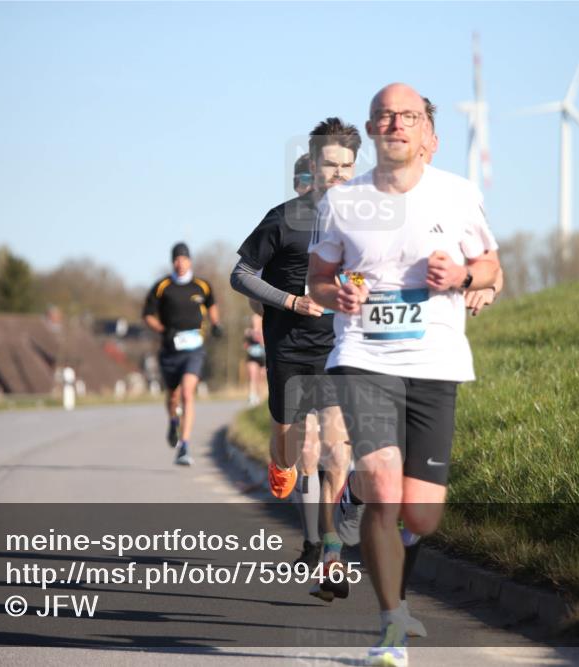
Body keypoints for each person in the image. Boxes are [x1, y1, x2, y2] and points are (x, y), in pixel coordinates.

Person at [308, 83, 502, 667]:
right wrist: (333, 294)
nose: (395, 124)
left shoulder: (458, 195)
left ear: (426, 134)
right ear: (370, 130)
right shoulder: (341, 203)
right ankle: (391, 625)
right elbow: (318, 279)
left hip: (436, 364)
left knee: (421, 514)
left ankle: (394, 558)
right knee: (384, 491)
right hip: (364, 359)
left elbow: (494, 267)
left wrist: (464, 278)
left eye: (408, 116)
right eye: (384, 116)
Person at [230, 118, 360, 598]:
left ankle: (328, 554)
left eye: (348, 166)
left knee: (332, 448)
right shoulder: (284, 219)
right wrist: (288, 302)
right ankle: (281, 467)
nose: (340, 175)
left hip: (335, 347)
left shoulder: (363, 221)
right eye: (331, 165)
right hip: (286, 347)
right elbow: (240, 274)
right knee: (293, 450)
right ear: (314, 165)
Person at [143, 242, 223, 466]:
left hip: (194, 349)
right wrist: (162, 330)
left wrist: (216, 323)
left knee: (188, 393)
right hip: (170, 350)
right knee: (173, 395)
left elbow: (212, 304)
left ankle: (184, 445)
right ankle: (172, 421)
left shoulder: (202, 286)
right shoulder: (162, 286)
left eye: (184, 259)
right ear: (172, 262)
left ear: (190, 261)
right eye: (176, 259)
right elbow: (147, 315)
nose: (180, 263)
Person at [243, 313, 266, 405]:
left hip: (263, 357)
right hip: (252, 356)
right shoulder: (248, 332)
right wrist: (248, 337)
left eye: (257, 320)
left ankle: (259, 398)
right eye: (253, 320)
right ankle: (252, 396)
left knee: (261, 378)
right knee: (253, 375)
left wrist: (260, 337)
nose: (255, 322)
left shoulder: (264, 330)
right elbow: (245, 345)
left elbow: (266, 344)